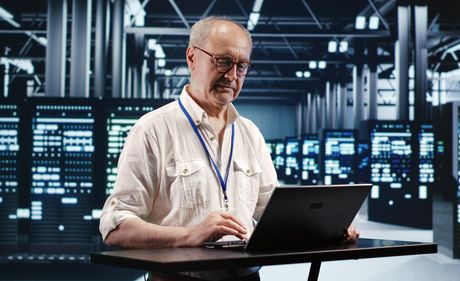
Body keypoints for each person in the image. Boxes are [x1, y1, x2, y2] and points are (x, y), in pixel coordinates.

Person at [99, 16, 359, 281]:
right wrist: (189, 235)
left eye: (242, 66)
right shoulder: (152, 130)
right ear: (192, 57)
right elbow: (115, 227)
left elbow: (271, 211)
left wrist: (326, 227)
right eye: (223, 61)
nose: (232, 75)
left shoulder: (250, 133)